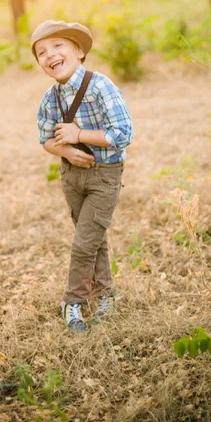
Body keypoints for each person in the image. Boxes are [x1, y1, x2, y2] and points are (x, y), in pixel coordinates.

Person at [31, 20, 133, 333]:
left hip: (104, 175)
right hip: (71, 176)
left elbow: (123, 132)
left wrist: (79, 134)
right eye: (42, 52)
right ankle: (106, 295)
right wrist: (65, 151)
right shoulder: (51, 98)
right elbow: (45, 138)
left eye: (58, 46)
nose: (50, 55)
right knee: (93, 237)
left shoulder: (101, 86)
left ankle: (72, 301)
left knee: (83, 243)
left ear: (78, 51)